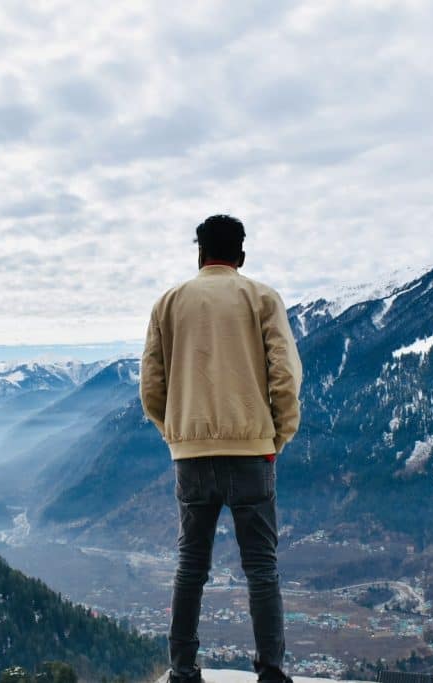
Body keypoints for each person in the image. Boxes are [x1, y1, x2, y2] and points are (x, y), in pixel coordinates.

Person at [140, 215, 303, 683]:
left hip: (189, 457)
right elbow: (285, 378)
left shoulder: (168, 304)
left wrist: (177, 434)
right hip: (253, 452)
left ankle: (182, 670)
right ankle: (271, 670)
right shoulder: (262, 299)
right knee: (261, 568)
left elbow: (151, 387)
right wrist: (276, 438)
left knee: (190, 566)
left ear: (199, 253)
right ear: (241, 257)